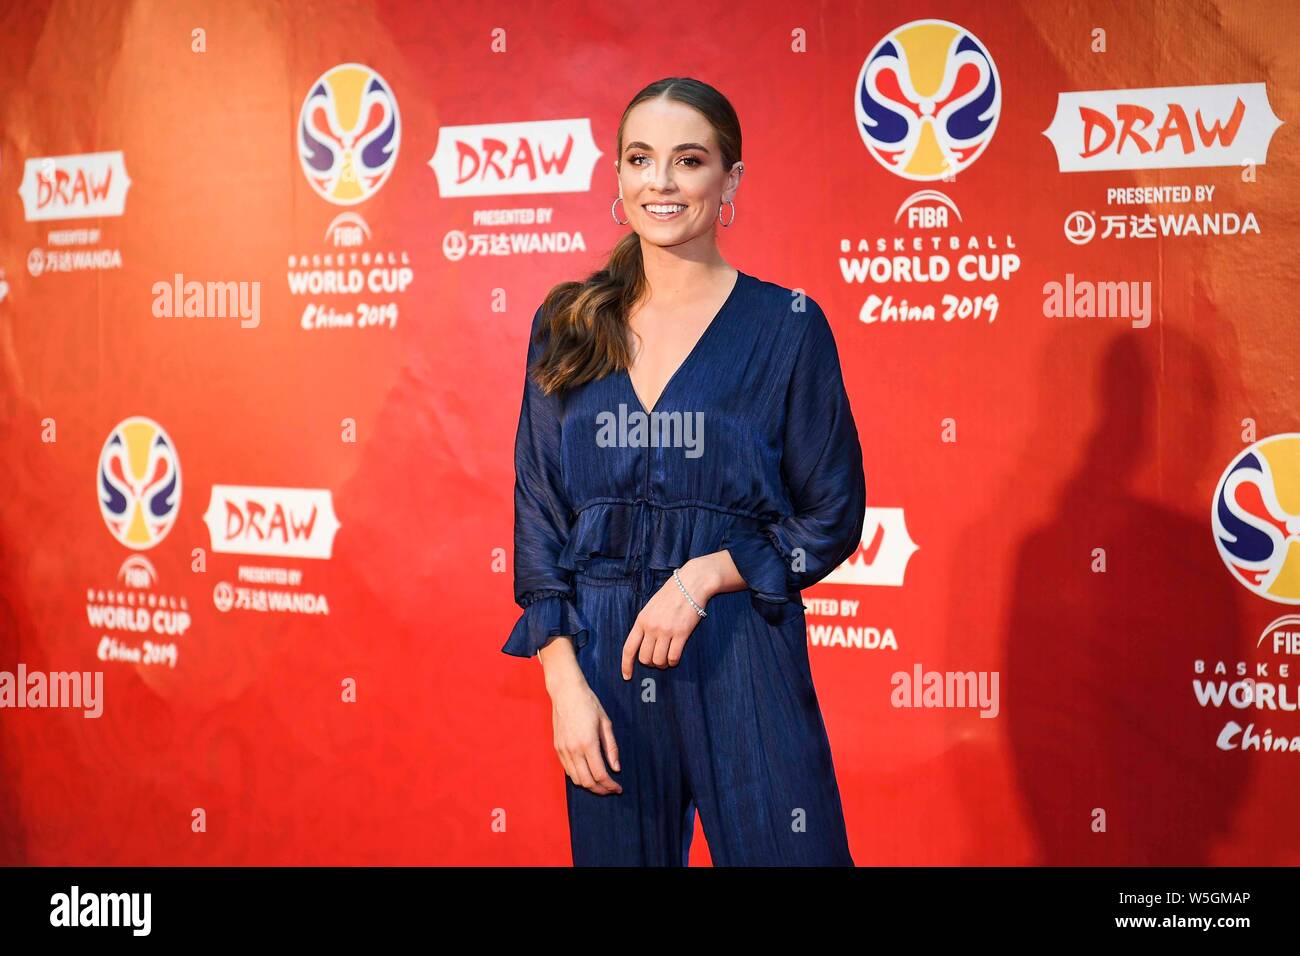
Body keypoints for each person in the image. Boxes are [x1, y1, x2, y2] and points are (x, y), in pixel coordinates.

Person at [502, 76, 866, 866]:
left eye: (688, 160)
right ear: (619, 177)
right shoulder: (567, 324)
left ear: (729, 180)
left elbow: (832, 515)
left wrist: (707, 575)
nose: (660, 182)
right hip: (603, 660)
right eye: (640, 158)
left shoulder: (788, 329)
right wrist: (563, 684)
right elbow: (540, 516)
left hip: (743, 653)